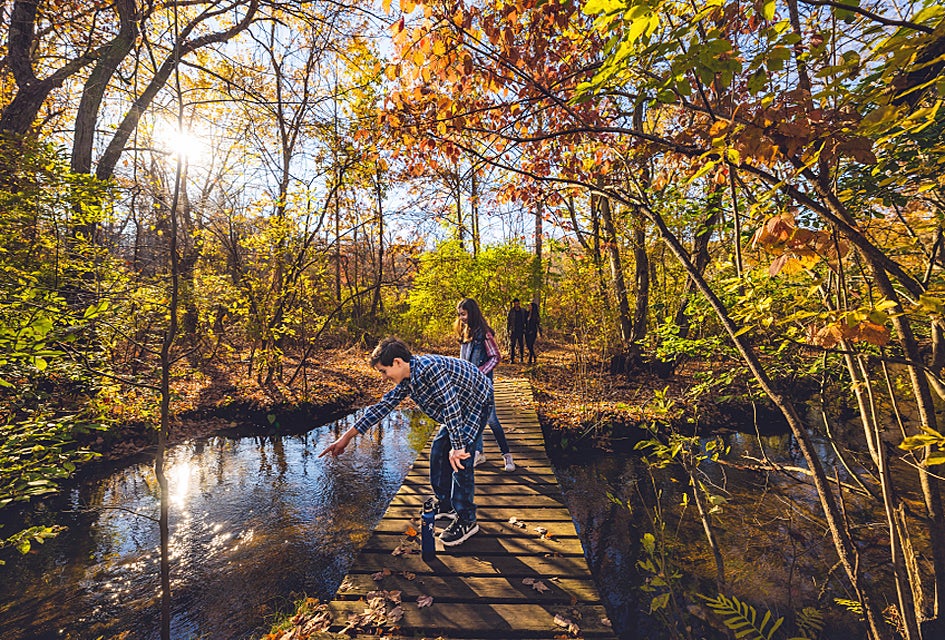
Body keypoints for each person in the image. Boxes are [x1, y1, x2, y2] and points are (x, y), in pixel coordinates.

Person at [319, 337, 491, 547]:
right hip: (458, 405)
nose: (383, 378)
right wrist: (346, 438)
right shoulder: (409, 378)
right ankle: (445, 503)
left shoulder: (431, 370)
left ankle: (467, 519)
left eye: (384, 371)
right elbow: (382, 407)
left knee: (460, 459)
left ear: (398, 362)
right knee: (438, 450)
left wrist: (458, 446)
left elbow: (451, 406)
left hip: (476, 402)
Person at [455, 298, 515, 472]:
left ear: (471, 313)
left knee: (491, 420)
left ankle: (507, 456)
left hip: (483, 385)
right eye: (459, 314)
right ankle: (479, 454)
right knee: (474, 418)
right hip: (468, 385)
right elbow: (463, 359)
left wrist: (479, 373)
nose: (461, 318)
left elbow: (496, 356)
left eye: (463, 314)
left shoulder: (484, 333)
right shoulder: (465, 331)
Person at [506, 298, 526, 364]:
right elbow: (508, 321)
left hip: (521, 330)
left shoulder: (522, 311)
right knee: (512, 345)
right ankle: (512, 359)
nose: (516, 305)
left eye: (517, 304)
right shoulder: (511, 311)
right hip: (514, 330)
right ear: (514, 304)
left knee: (521, 345)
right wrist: (508, 330)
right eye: (515, 304)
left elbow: (526, 320)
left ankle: (521, 358)